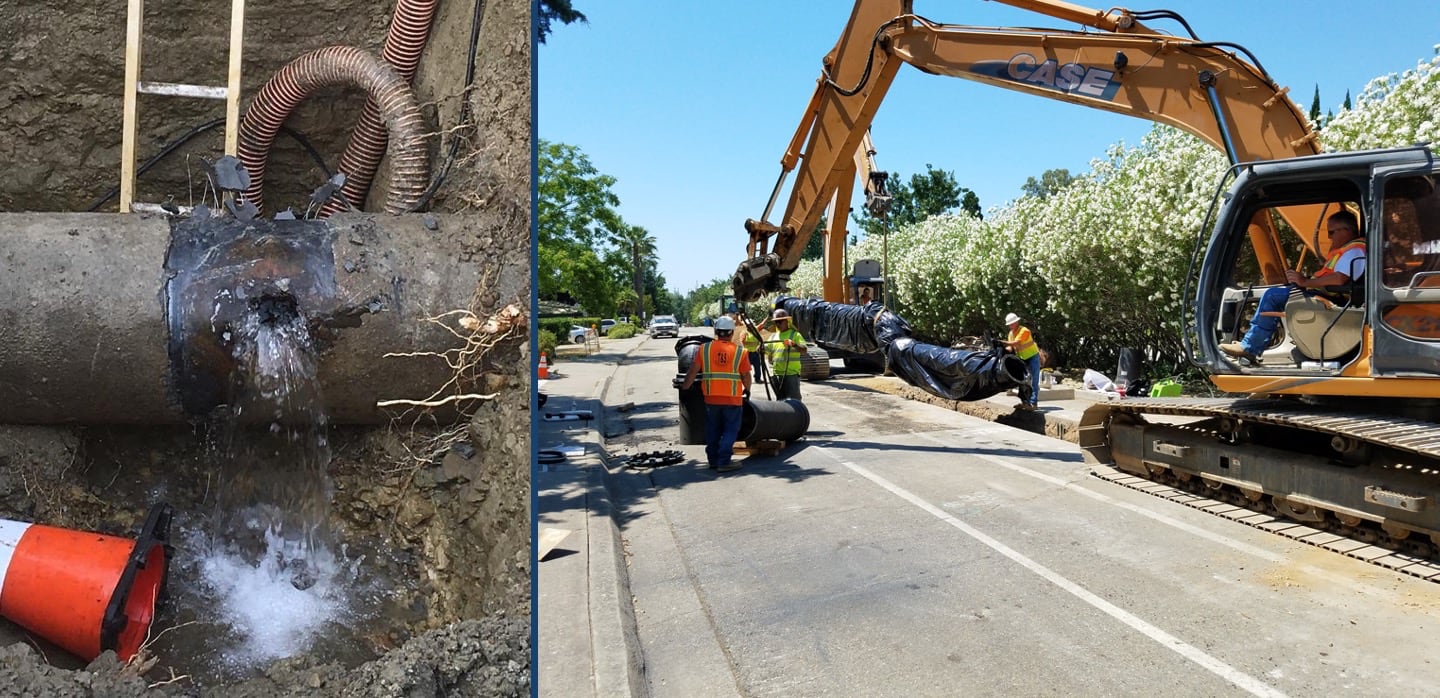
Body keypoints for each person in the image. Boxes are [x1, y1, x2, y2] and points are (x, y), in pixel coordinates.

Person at [1221, 210, 1366, 362]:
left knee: (1273, 296)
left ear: (1347, 230)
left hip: (1333, 301)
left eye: (1332, 232)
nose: (1329, 237)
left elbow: (1339, 279)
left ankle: (1250, 347)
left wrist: (1305, 282)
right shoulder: (1348, 250)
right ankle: (1251, 344)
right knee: (1277, 294)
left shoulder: (1355, 250)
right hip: (1324, 295)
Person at [680, 316, 752, 473]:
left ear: (716, 332)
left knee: (713, 429)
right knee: (730, 430)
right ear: (732, 332)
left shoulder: (704, 349)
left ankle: (713, 460)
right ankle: (724, 461)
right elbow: (746, 375)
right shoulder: (740, 352)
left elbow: (693, 370)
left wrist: (685, 387)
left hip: (711, 399)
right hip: (732, 399)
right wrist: (747, 388)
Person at [765, 308, 808, 401]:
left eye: (780, 321)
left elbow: (804, 350)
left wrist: (794, 344)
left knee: (794, 401)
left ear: (787, 321)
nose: (778, 324)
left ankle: (797, 415)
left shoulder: (795, 335)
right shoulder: (773, 336)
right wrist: (760, 348)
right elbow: (766, 349)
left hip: (791, 375)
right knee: (780, 401)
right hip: (777, 375)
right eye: (776, 322)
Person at [1000, 312, 1040, 411]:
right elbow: (1011, 347)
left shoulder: (1024, 330)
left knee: (1034, 380)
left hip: (1032, 357)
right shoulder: (1011, 334)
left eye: (1012, 323)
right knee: (1023, 381)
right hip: (1022, 358)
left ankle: (1033, 403)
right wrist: (1002, 348)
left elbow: (1017, 343)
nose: (1011, 325)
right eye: (1009, 324)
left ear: (1017, 322)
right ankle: (1025, 403)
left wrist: (1002, 342)